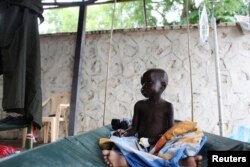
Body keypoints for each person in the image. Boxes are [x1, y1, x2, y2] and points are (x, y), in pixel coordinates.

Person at [102, 68, 203, 167]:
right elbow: (134, 129)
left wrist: (155, 140)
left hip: (161, 144)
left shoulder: (168, 106)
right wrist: (124, 133)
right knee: (117, 140)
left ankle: (182, 162)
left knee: (175, 148)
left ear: (162, 86)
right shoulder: (139, 105)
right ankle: (122, 160)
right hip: (140, 143)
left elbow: (170, 132)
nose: (144, 87)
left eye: (148, 82)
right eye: (143, 84)